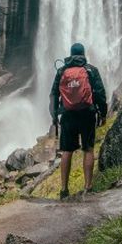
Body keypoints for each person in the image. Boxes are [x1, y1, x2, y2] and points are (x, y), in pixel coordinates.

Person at [49, 42, 107, 200]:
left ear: (70, 54)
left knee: (67, 151)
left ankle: (63, 190)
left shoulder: (62, 71)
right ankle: (88, 187)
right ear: (83, 54)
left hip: (68, 115)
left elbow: (54, 94)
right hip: (87, 114)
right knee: (88, 149)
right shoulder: (90, 70)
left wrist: (54, 116)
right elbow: (100, 93)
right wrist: (103, 114)